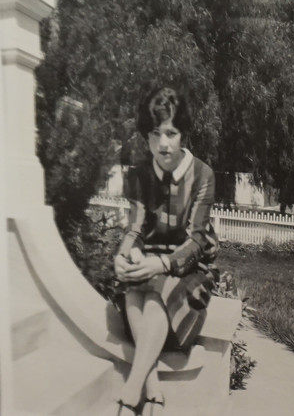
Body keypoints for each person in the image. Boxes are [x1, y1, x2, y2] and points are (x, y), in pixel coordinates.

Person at [113, 87, 219, 416]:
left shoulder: (202, 175)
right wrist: (123, 253)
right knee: (134, 286)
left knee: (157, 292)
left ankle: (131, 392)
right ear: (146, 137)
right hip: (150, 264)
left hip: (191, 270)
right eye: (155, 133)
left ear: (182, 134)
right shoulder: (139, 174)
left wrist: (161, 264)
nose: (163, 144)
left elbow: (196, 240)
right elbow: (136, 227)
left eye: (171, 133)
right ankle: (152, 386)